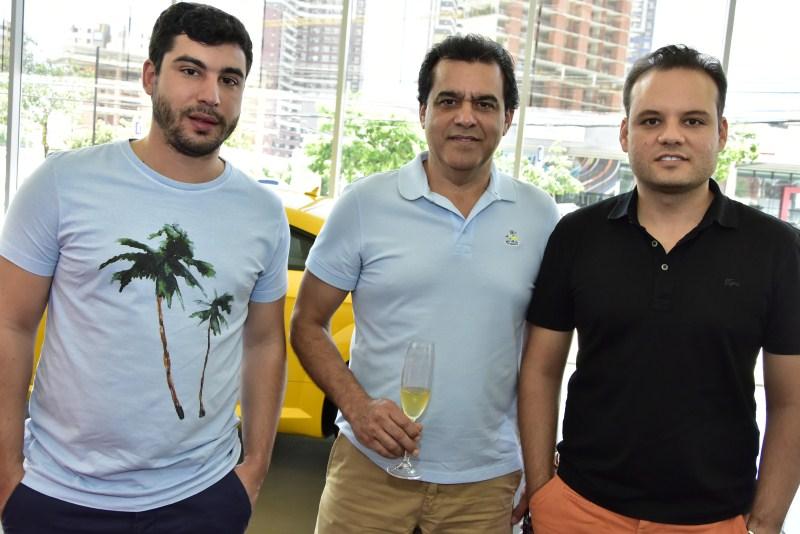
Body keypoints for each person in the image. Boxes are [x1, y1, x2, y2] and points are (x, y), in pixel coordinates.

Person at [0, 3, 289, 533]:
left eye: (230, 79)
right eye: (190, 70)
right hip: (58, 492)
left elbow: (265, 341)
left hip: (203, 495)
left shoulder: (263, 213)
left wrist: (254, 469)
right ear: (151, 76)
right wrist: (6, 474)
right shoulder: (64, 183)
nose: (211, 95)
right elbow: (9, 324)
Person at [519, 44, 800, 534]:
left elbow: (792, 401)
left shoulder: (777, 247)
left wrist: (765, 521)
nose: (671, 135)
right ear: (625, 133)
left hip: (714, 520)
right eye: (651, 120)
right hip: (579, 510)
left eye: (693, 120)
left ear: (721, 132)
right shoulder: (577, 235)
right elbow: (540, 370)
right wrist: (544, 490)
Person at [290, 34, 559, 534]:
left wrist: (538, 469)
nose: (466, 117)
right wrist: (358, 407)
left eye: (485, 104)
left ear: (508, 118)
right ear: (423, 111)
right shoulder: (365, 204)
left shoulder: (540, 216)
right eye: (449, 100)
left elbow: (545, 362)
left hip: (487, 483)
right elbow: (307, 323)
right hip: (370, 471)